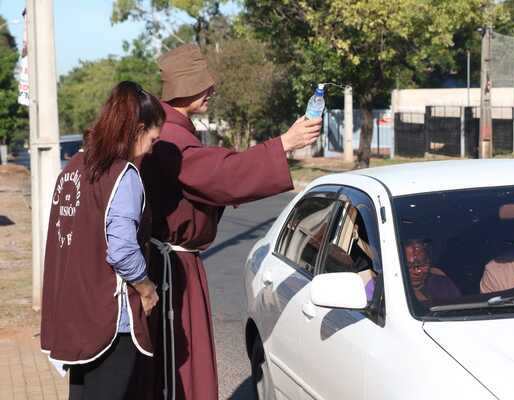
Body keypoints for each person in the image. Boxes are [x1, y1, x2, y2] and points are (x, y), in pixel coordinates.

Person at [133, 43, 322, 399]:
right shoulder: (171, 136)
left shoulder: (173, 130)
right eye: (204, 85)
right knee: (180, 367)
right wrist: (284, 143)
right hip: (171, 269)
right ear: (185, 88)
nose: (212, 91)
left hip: (173, 264)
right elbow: (221, 173)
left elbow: (213, 176)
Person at [40, 81, 165, 399]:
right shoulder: (123, 175)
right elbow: (122, 249)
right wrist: (147, 289)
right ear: (138, 129)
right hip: (110, 317)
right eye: (152, 139)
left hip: (74, 313)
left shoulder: (74, 167)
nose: (151, 149)